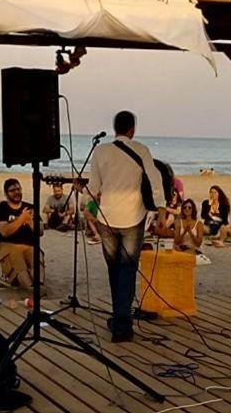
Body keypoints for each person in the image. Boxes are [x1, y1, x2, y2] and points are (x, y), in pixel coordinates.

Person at [89, 110, 166, 342]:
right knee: (127, 270)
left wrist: (87, 206)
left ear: (115, 128)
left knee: (115, 269)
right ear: (132, 129)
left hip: (106, 217)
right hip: (133, 217)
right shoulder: (141, 150)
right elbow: (155, 180)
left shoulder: (100, 151)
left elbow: (94, 186)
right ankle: (121, 324)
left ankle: (119, 318)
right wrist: (160, 208)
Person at [0, 179, 42, 288]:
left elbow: (40, 231)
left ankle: (38, 286)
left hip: (29, 246)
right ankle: (28, 286)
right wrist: (21, 218)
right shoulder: (1, 208)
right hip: (7, 245)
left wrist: (31, 222)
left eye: (18, 189)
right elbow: (4, 231)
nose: (16, 192)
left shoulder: (31, 208)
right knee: (16, 256)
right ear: (6, 194)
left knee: (36, 257)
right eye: (12, 190)